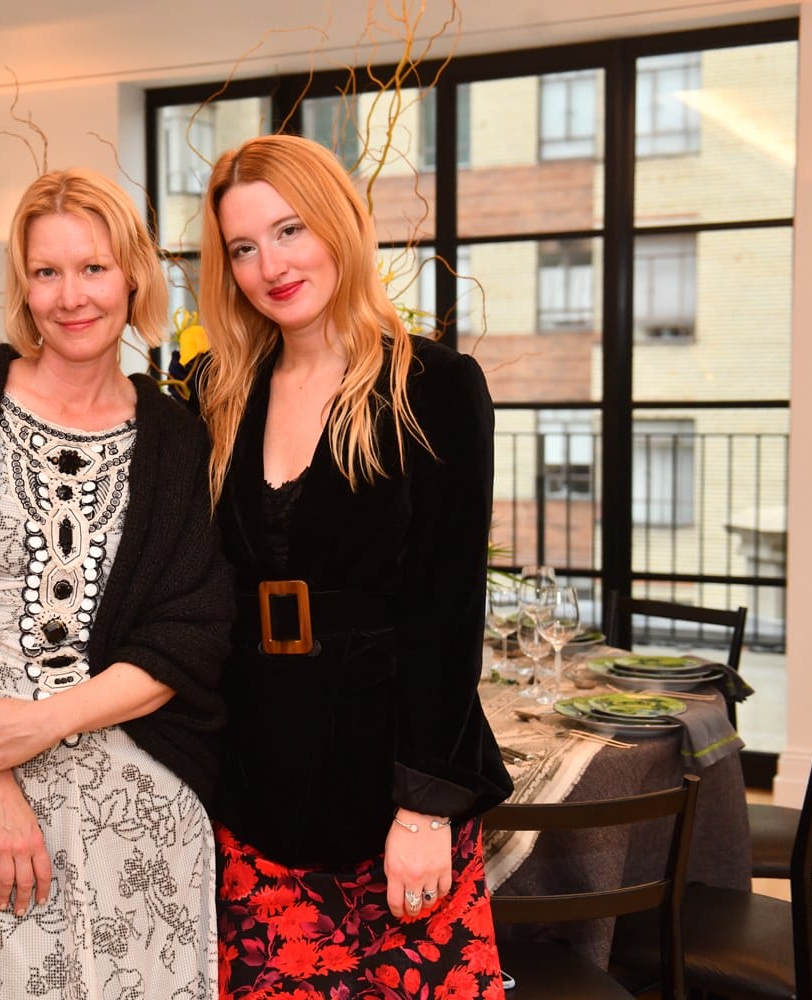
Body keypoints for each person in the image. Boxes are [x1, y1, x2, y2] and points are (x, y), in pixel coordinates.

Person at [0, 167, 234, 998]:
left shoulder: (177, 437)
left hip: (137, 780)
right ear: (24, 288)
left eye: (94, 268)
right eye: (47, 272)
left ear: (133, 276)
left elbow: (192, 631)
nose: (72, 296)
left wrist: (45, 724)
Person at [196, 133, 512, 997]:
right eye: (245, 248)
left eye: (291, 230)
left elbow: (447, 613)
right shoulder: (216, 391)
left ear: (340, 223)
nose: (271, 265)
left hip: (390, 786)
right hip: (255, 788)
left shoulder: (435, 387)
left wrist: (425, 806)